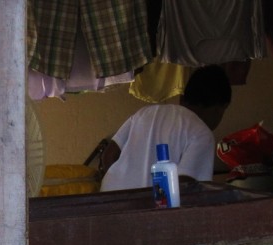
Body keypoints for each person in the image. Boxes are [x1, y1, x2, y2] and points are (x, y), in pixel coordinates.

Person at [99, 64, 232, 192]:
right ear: (219, 108)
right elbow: (185, 186)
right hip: (151, 204)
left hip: (111, 198)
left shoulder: (145, 113)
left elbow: (108, 155)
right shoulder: (202, 133)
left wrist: (122, 185)